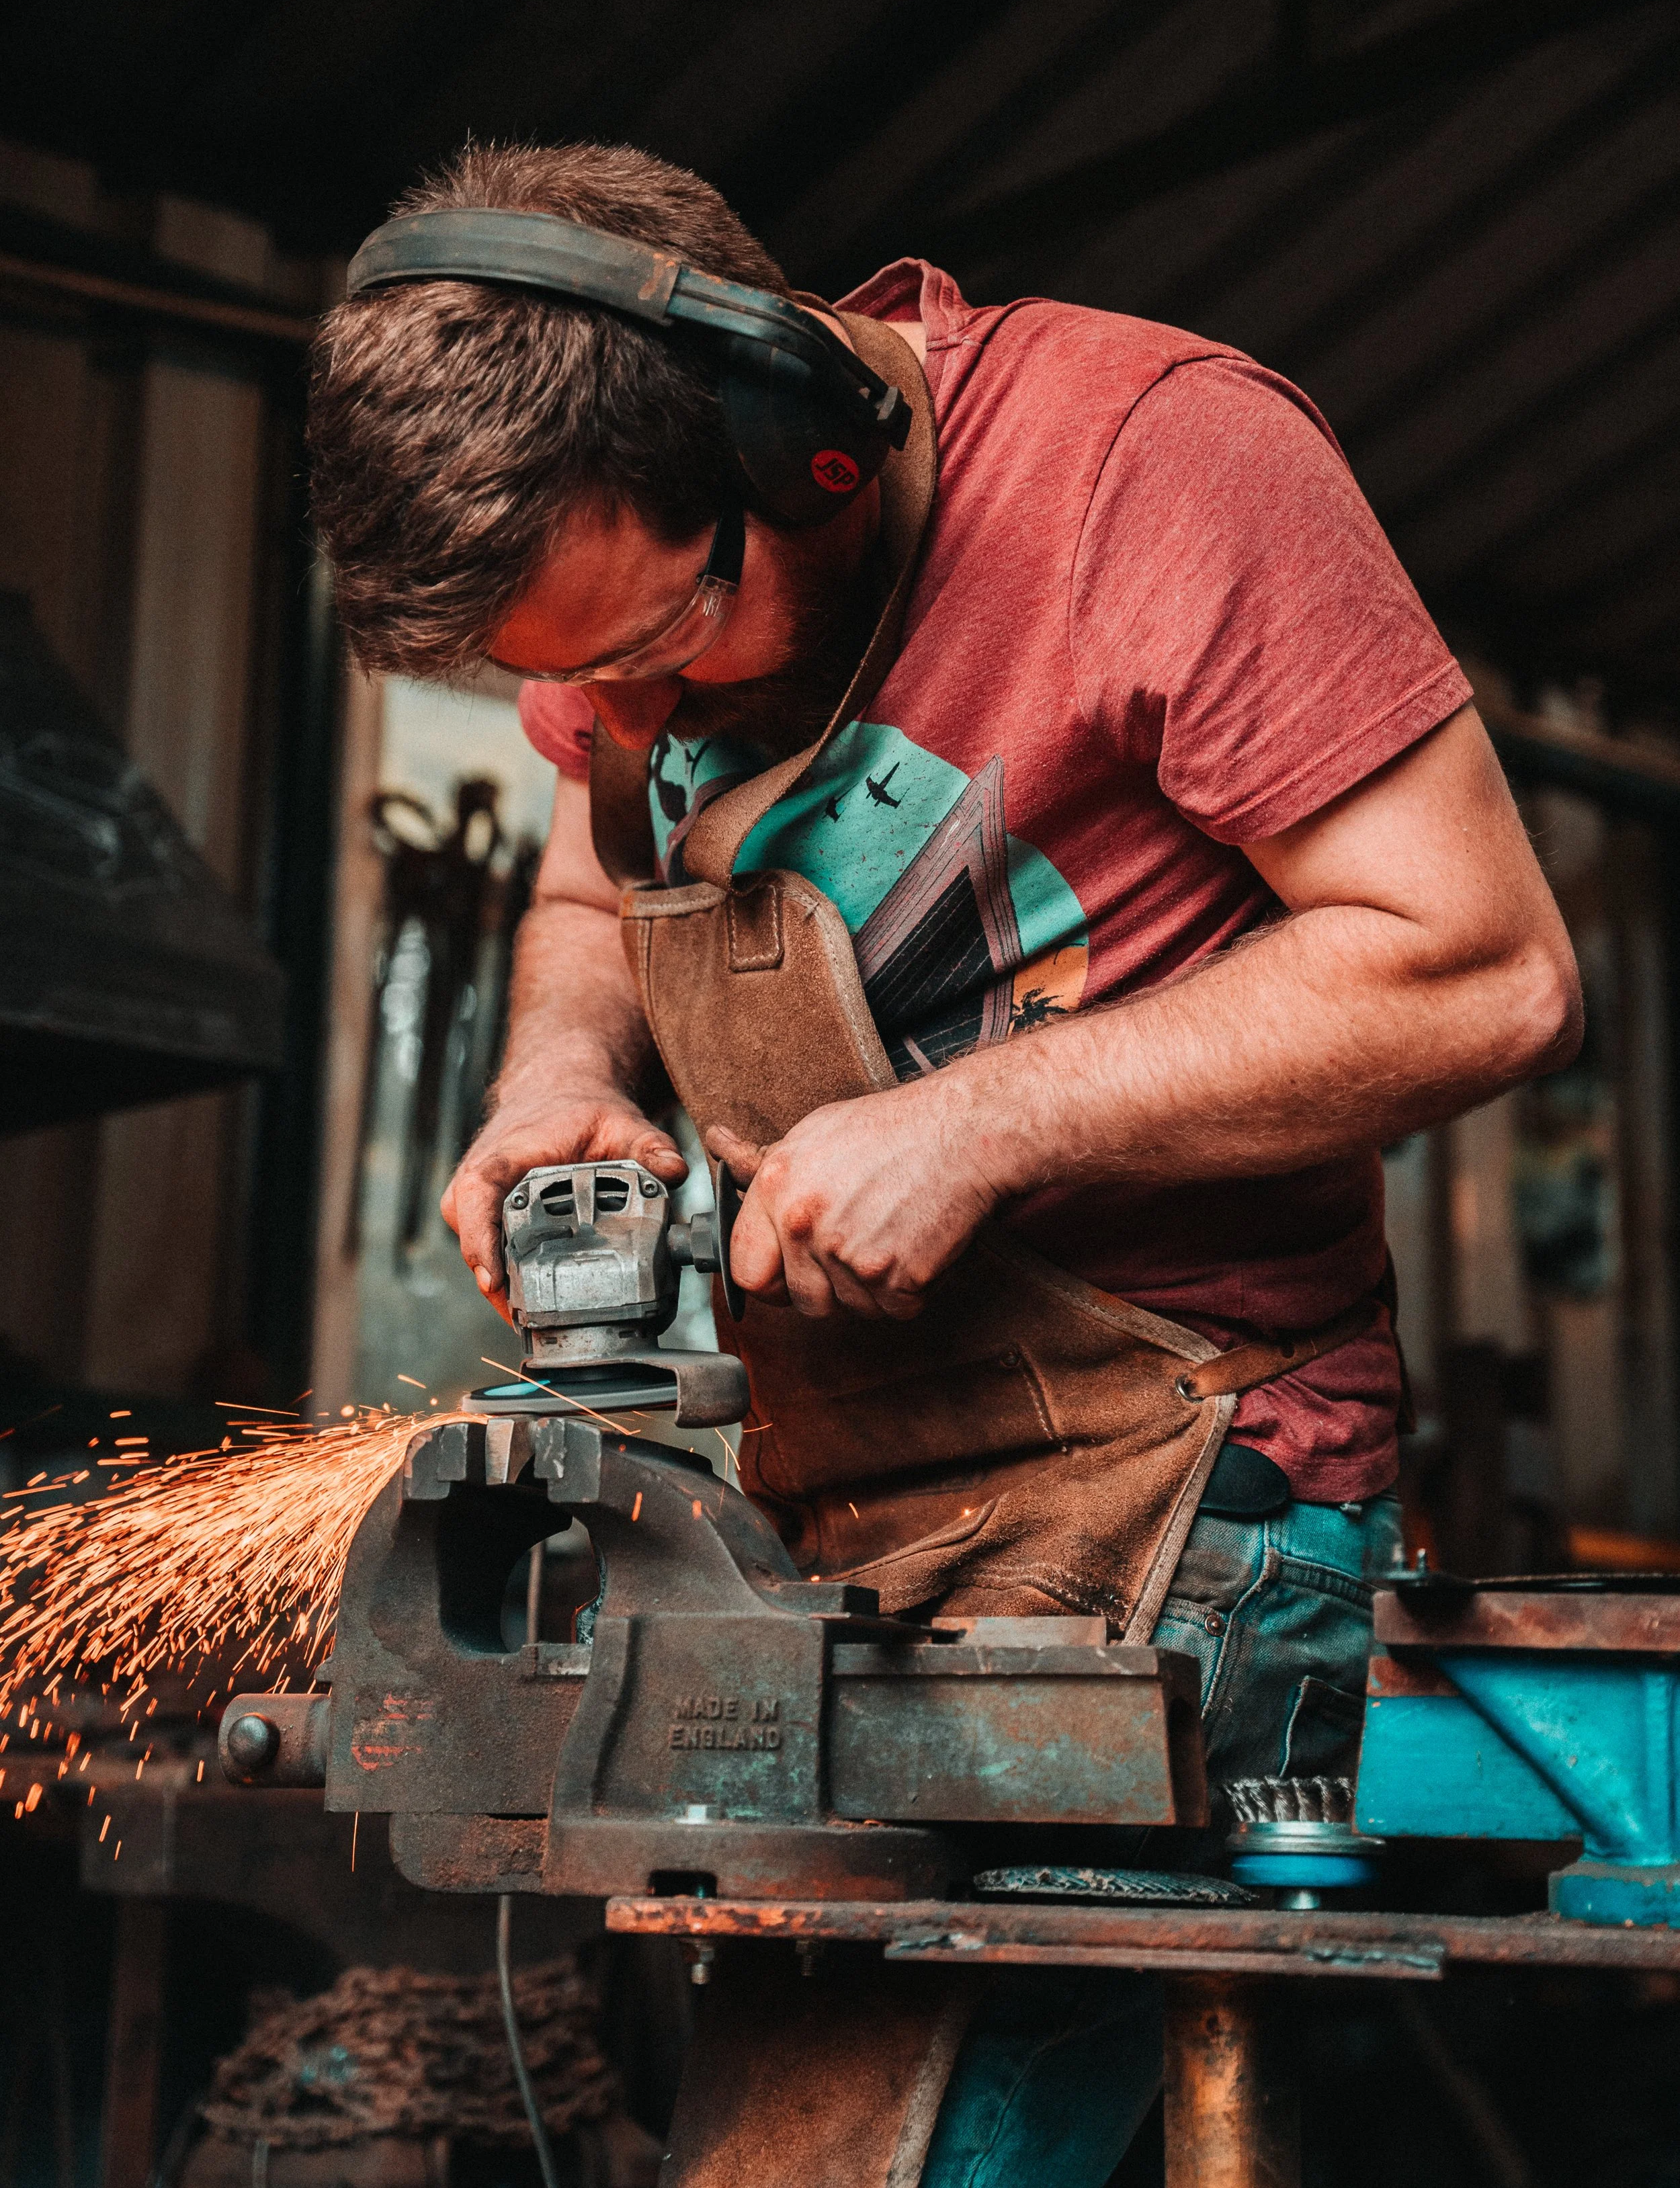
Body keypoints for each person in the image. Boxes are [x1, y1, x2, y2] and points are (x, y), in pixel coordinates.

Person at [308, 138, 1580, 2184]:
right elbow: (577, 891)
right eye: (571, 682)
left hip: (1177, 1478)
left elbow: (1487, 975)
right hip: (830, 1523)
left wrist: (977, 1118)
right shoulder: (619, 626)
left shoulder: (1158, 469)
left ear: (803, 440)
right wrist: (555, 1078)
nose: (614, 716)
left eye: (657, 646)